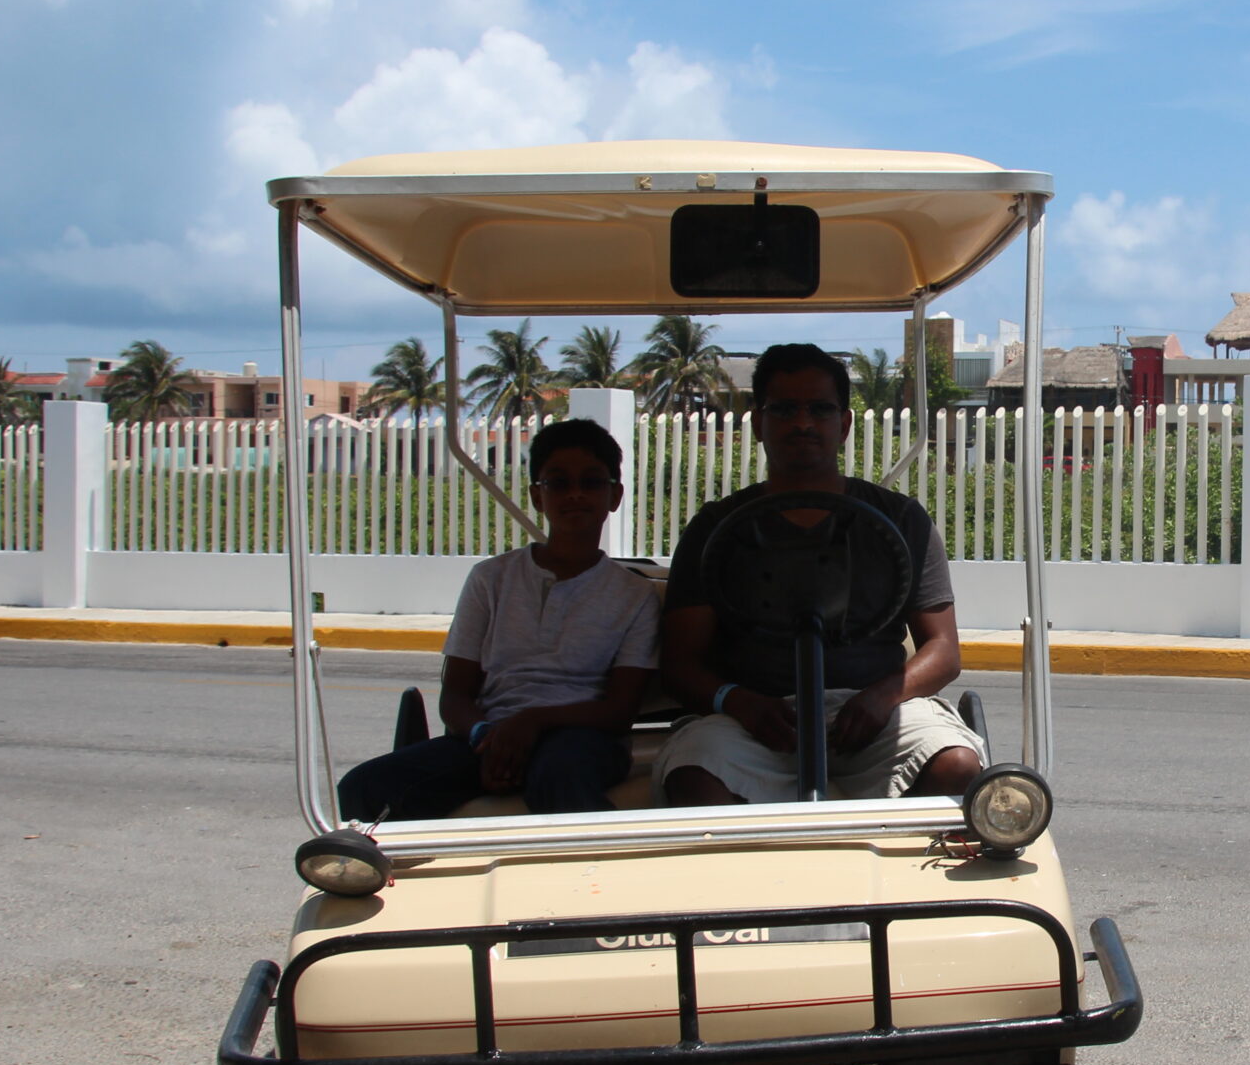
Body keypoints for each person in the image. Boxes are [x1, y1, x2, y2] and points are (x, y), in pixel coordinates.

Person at [658, 343, 984, 805]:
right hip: (755, 722)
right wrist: (739, 702)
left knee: (957, 767)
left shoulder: (901, 519)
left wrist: (881, 697)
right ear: (758, 423)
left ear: (844, 424)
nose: (803, 423)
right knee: (693, 781)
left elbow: (944, 651)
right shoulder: (716, 528)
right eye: (785, 409)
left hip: (876, 713)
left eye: (820, 409)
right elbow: (680, 663)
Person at [336, 418, 659, 822]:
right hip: (488, 736)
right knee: (363, 787)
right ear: (537, 497)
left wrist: (532, 722)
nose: (575, 494)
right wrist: (488, 737)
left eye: (591, 482)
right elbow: (455, 695)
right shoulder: (491, 579)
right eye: (558, 483)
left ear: (615, 495)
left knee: (557, 776)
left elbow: (618, 710)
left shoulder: (635, 596)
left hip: (583, 738)